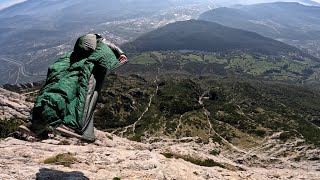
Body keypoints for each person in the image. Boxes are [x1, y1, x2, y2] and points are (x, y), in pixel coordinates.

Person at [19, 34, 127, 142]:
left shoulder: (70, 57)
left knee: (57, 94)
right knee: (82, 99)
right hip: (86, 76)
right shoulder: (99, 52)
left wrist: (120, 53)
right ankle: (71, 126)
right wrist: (120, 53)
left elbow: (54, 72)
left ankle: (36, 125)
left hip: (64, 78)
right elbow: (108, 47)